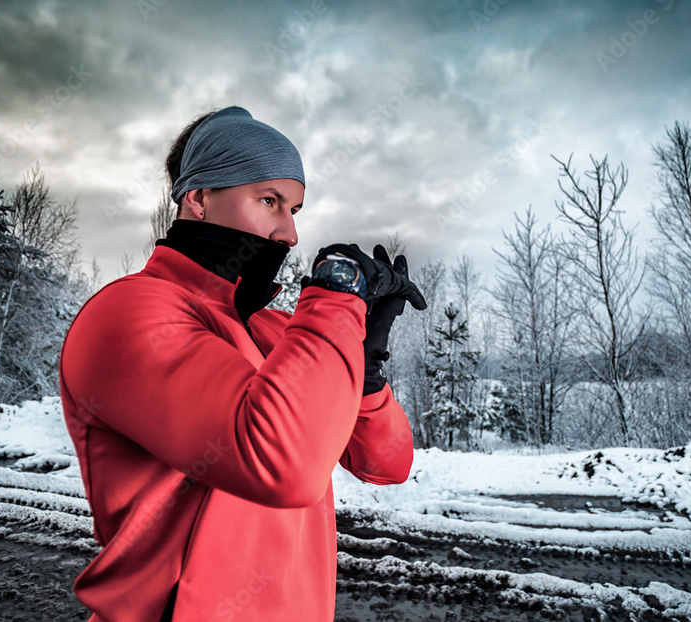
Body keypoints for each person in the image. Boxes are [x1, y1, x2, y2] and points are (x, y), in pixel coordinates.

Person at [57, 105, 426, 621]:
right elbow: (282, 466)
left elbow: (385, 463)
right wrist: (335, 301)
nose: (288, 234)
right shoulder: (130, 313)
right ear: (199, 198)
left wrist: (365, 369)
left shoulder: (275, 331)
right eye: (269, 200)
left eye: (294, 210)